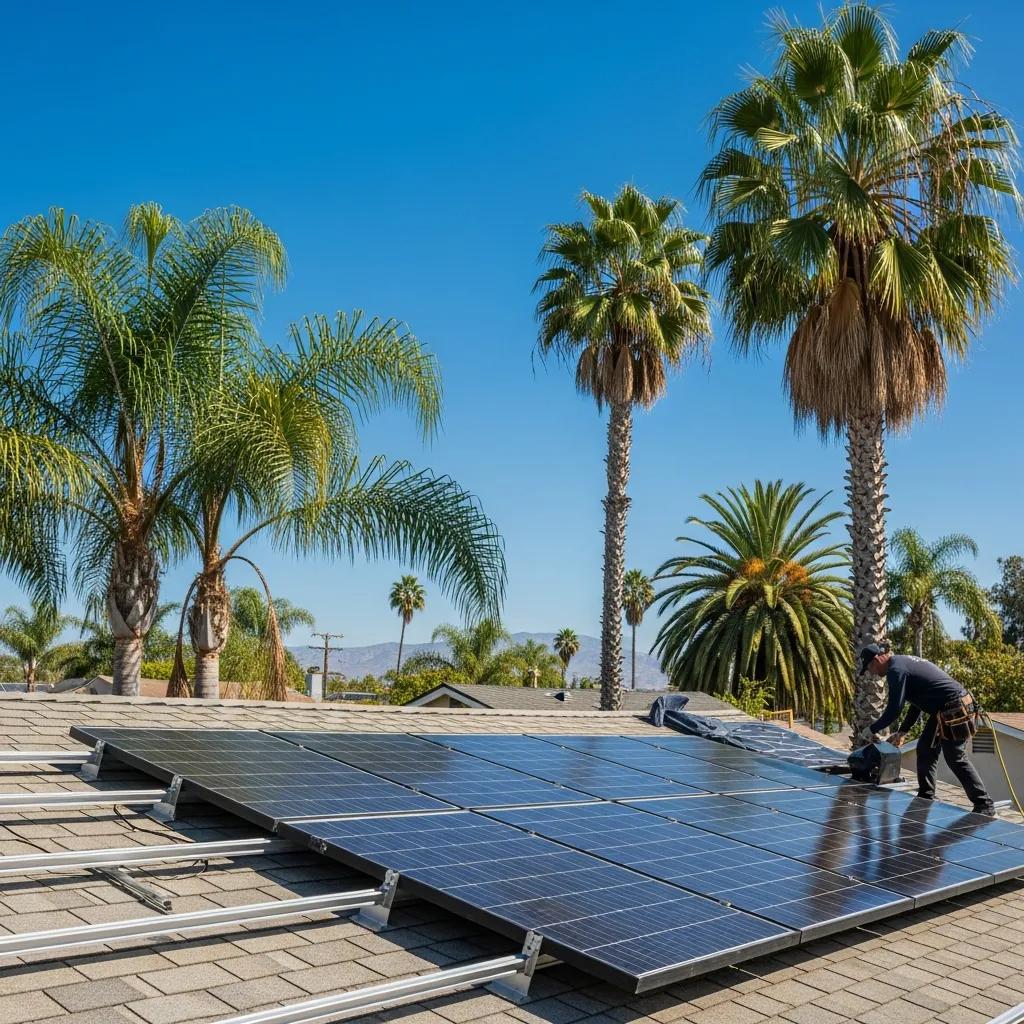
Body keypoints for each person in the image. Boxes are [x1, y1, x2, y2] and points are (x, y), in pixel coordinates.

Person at [859, 643, 995, 816]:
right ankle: (926, 796)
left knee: (955, 757)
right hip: (944, 710)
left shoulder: (896, 670)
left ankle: (985, 805)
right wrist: (903, 731)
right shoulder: (901, 664)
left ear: (877, 659)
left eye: (869, 667)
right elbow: (916, 705)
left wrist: (872, 729)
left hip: (954, 708)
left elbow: (894, 709)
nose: (871, 672)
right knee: (925, 749)